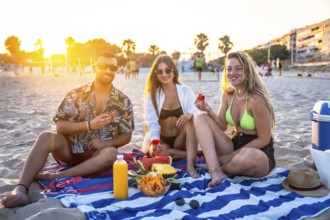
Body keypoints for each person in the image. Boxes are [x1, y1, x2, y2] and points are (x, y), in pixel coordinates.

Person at [1, 51, 135, 208]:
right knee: (45, 136)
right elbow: (60, 125)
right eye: (102, 66)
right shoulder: (76, 94)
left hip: (98, 156)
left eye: (112, 67)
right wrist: (89, 125)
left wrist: (108, 143)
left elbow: (127, 135)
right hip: (70, 149)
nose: (107, 70)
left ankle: (54, 176)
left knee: (112, 152)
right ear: (94, 67)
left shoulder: (123, 101)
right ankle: (20, 189)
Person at [194, 51, 275, 187]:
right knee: (200, 118)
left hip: (258, 151)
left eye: (238, 68)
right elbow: (222, 126)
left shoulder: (256, 99)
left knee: (249, 158)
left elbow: (264, 139)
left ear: (247, 71)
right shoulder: (227, 95)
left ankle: (222, 167)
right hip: (234, 144)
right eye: (229, 69)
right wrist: (208, 110)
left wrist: (228, 157)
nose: (233, 73)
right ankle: (215, 171)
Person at [142, 54, 200, 178]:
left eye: (168, 70)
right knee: (158, 154)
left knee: (190, 122)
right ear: (156, 75)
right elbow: (151, 123)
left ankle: (190, 166)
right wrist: (155, 142)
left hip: (181, 139)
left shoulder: (185, 91)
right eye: (160, 71)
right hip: (162, 140)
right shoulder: (151, 96)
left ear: (174, 71)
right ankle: (191, 153)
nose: (164, 74)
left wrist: (189, 114)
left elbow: (197, 112)